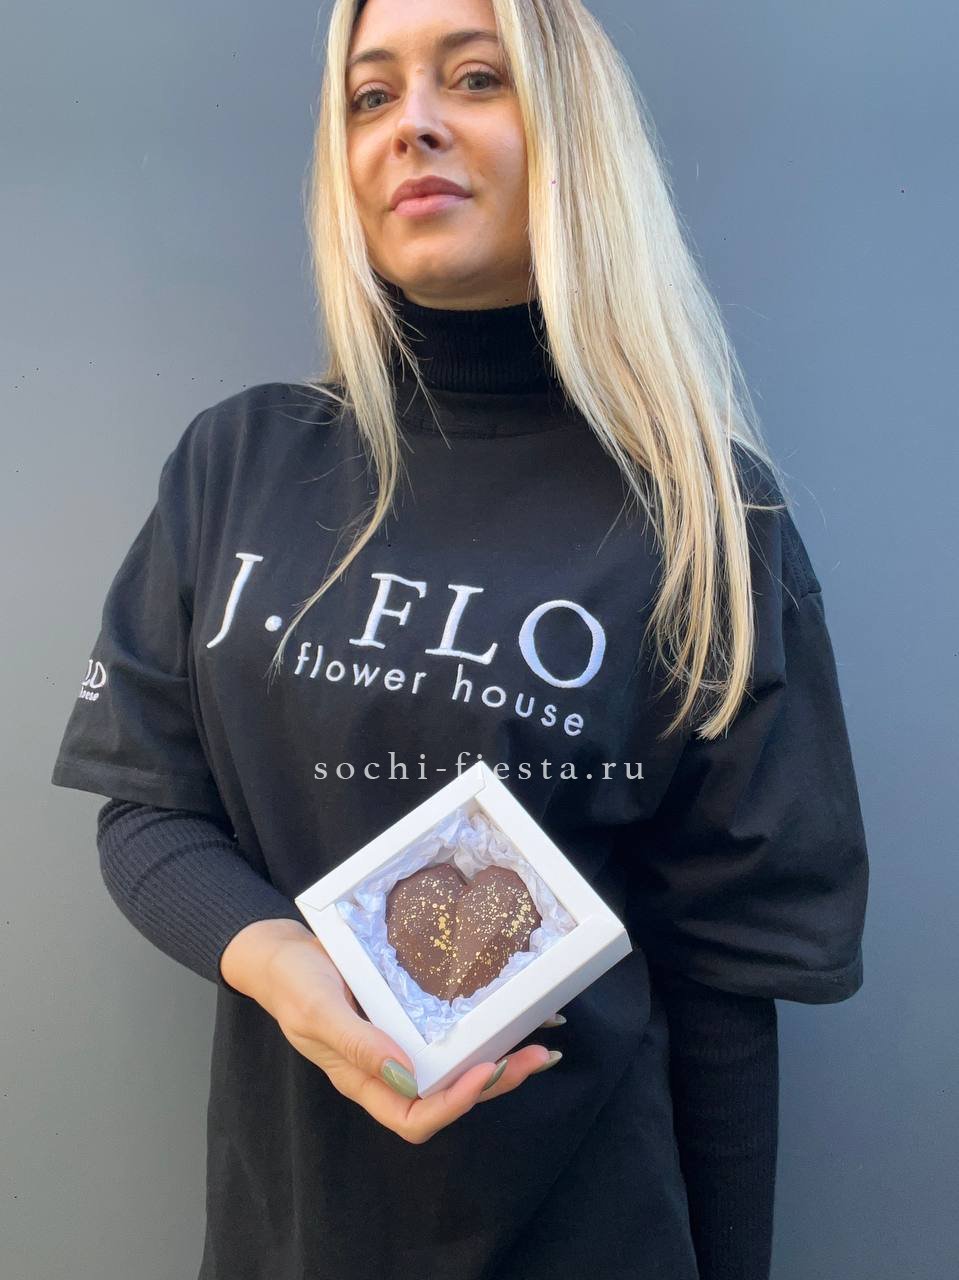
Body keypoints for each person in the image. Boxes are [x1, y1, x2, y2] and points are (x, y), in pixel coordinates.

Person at [50, 1, 869, 1277]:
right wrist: (280, 962)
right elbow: (149, 806)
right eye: (370, 95)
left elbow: (723, 984)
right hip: (287, 1233)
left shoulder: (709, 524)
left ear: (569, 131)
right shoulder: (238, 463)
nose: (412, 124)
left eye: (475, 78)